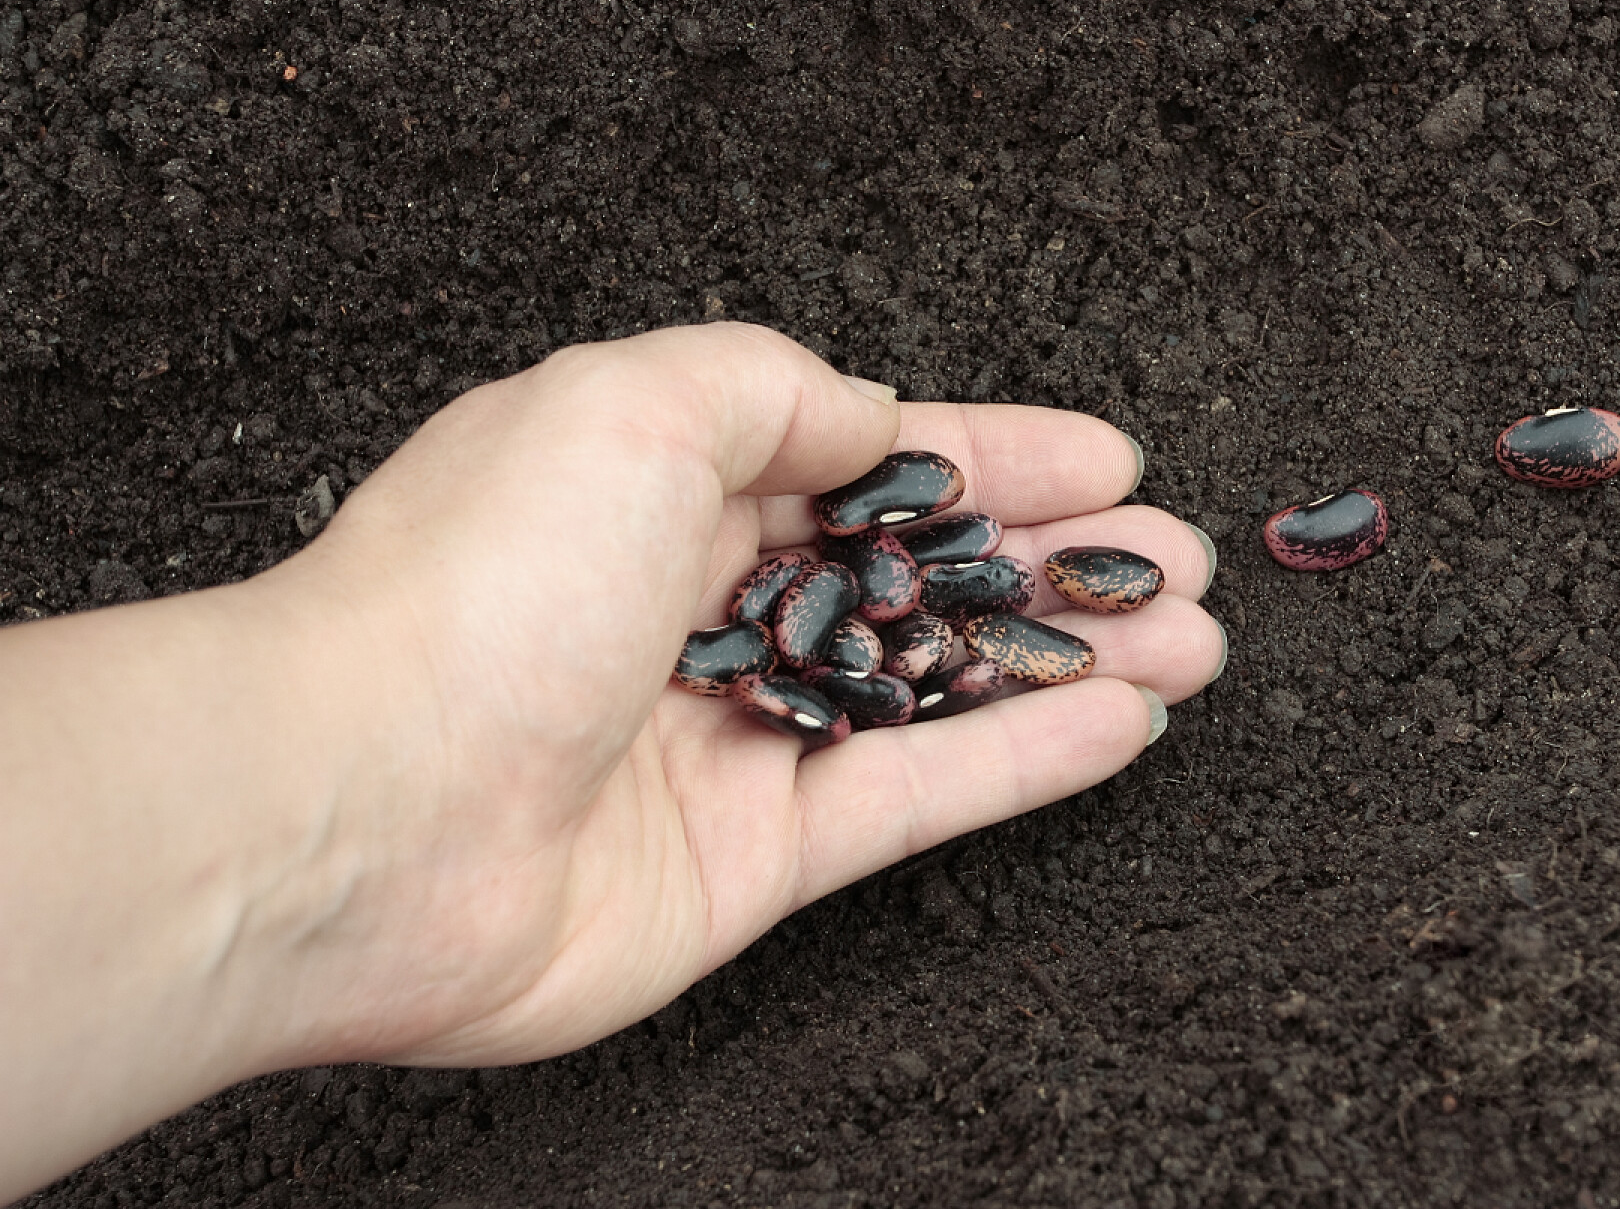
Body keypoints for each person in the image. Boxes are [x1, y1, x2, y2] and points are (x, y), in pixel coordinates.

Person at [0, 324, 1225, 1201]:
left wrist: (354, 747)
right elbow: (840, 623)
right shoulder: (827, 618)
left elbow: (882, 609)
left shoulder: (872, 611)